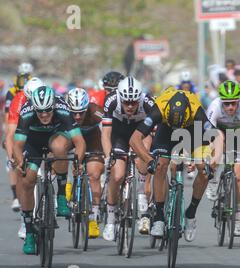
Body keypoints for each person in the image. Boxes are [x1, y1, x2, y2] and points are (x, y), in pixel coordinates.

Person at [129, 87, 222, 242]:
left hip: (192, 130)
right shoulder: (159, 108)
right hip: (165, 131)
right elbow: (134, 139)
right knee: (159, 166)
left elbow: (217, 137)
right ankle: (159, 217)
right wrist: (149, 160)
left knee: (204, 170)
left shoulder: (195, 109)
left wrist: (213, 163)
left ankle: (190, 213)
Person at [13, 86, 86, 254]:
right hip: (34, 142)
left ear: (53, 106)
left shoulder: (62, 109)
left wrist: (78, 163)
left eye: (47, 110)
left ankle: (61, 196)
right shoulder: (27, 112)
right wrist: (19, 162)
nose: (44, 114)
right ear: (35, 108)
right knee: (27, 180)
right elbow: (17, 145)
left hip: (56, 135)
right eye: (40, 111)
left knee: (60, 148)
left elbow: (79, 141)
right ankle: (30, 231)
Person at [101, 76, 154, 241]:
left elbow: (152, 133)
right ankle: (110, 220)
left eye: (133, 103)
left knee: (143, 158)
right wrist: (109, 157)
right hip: (119, 134)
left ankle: (142, 196)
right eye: (126, 102)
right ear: (120, 97)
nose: (130, 106)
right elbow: (106, 133)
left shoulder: (148, 102)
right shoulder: (111, 101)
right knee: (117, 175)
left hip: (140, 132)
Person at [205, 80, 240, 237]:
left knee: (239, 176)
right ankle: (213, 181)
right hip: (219, 131)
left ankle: (236, 217)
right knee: (217, 146)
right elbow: (207, 133)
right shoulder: (214, 106)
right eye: (226, 104)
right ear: (221, 101)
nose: (230, 107)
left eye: (233, 104)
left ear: (238, 101)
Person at [6, 77, 44, 239]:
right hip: (26, 136)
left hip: (46, 133)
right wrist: (13, 158)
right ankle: (24, 217)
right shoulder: (19, 101)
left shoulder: (49, 98)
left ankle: (55, 195)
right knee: (23, 173)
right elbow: (11, 136)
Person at [66, 88, 104, 239]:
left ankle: (93, 217)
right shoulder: (63, 112)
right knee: (57, 155)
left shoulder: (96, 112)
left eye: (81, 112)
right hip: (71, 139)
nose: (77, 116)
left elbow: (109, 130)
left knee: (94, 175)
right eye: (73, 113)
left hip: (93, 140)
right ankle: (67, 185)